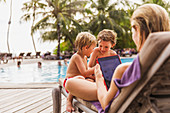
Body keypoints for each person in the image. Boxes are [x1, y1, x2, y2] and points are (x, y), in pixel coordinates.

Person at [65, 4, 170, 112]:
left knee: (70, 83)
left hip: (116, 100)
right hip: (152, 106)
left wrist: (99, 78)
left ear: (137, 29)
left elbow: (106, 104)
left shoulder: (124, 69)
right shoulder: (162, 65)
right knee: (80, 79)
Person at [64, 32, 97, 112]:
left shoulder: (84, 57)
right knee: (80, 77)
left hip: (80, 81)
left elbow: (87, 73)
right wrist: (96, 68)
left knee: (91, 81)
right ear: (86, 47)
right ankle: (69, 101)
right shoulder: (77, 57)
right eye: (92, 49)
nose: (93, 51)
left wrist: (94, 77)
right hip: (70, 82)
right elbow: (84, 73)